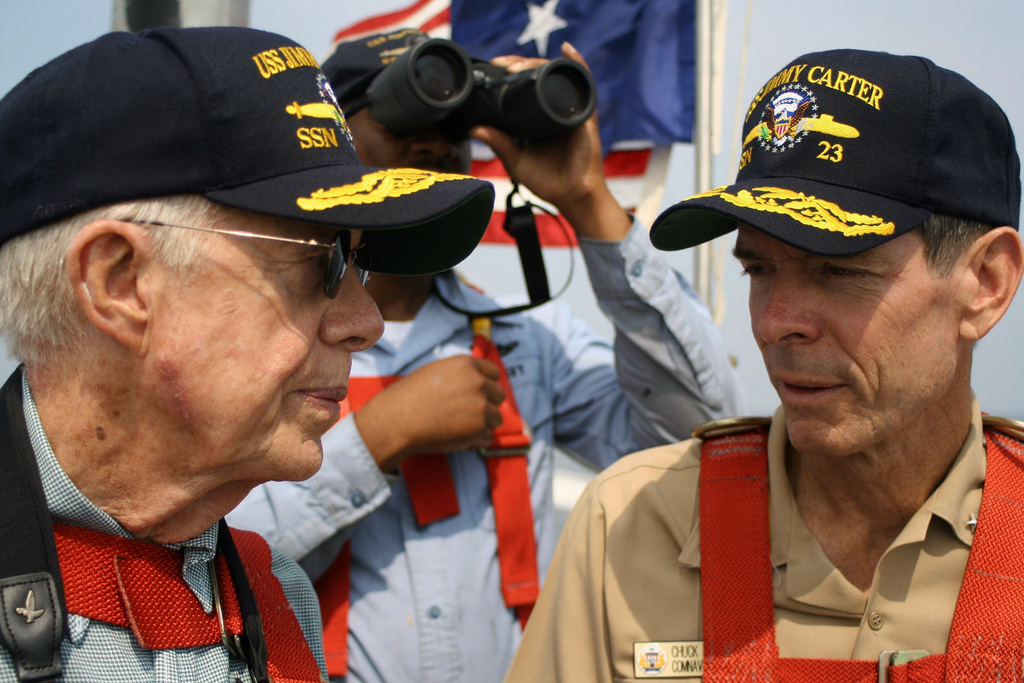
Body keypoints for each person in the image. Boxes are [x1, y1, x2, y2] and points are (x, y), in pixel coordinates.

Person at [228, 29, 745, 683]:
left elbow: (702, 438)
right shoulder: (264, 342)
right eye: (407, 119)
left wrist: (590, 203)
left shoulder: (528, 339)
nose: (436, 146)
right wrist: (382, 434)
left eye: (455, 128)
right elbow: (204, 553)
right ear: (334, 141)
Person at [503, 47, 1024, 682]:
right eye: (758, 269)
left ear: (986, 283)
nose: (777, 322)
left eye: (840, 270)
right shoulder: (633, 523)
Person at [0, 26, 494, 683]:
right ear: (120, 281)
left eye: (361, 261)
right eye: (325, 260)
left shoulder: (277, 597)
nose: (365, 321)